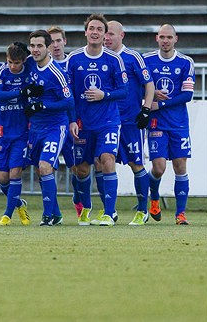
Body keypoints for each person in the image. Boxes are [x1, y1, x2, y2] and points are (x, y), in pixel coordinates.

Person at [66, 13, 128, 226]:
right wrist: (72, 120)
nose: (95, 32)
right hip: (83, 123)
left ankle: (109, 213)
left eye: (99, 29)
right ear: (86, 32)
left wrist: (105, 95)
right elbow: (69, 94)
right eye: (91, 28)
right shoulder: (73, 59)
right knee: (81, 169)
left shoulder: (114, 59)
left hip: (108, 121)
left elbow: (124, 90)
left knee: (107, 159)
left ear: (104, 34)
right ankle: (86, 207)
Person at [103, 20, 155, 226]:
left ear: (121, 36)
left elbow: (149, 85)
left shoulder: (133, 57)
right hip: (107, 121)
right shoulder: (102, 58)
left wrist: (145, 110)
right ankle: (109, 211)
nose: (107, 38)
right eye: (105, 34)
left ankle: (143, 210)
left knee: (135, 163)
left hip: (130, 121)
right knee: (103, 162)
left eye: (111, 34)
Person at [143, 24, 195, 225]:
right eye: (162, 37)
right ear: (157, 38)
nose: (165, 40)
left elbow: (187, 95)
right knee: (158, 168)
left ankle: (180, 214)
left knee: (180, 165)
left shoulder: (185, 62)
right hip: (156, 122)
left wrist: (160, 103)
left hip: (178, 123)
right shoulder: (147, 60)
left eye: (169, 37)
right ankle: (154, 199)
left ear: (176, 39)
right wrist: (149, 94)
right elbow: (138, 87)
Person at [25, 30, 74, 226]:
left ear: (48, 49)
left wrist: (44, 105)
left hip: (55, 126)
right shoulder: (29, 63)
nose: (35, 50)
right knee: (40, 170)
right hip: (35, 127)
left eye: (39, 46)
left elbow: (69, 101)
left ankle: (47, 216)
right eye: (32, 46)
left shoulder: (56, 73)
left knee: (45, 166)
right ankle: (56, 213)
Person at [0, 42, 33, 226]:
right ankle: (19, 204)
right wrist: (22, 92)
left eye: (16, 63)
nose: (13, 66)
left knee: (15, 173)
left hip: (21, 132)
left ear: (23, 61)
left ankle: (7, 215)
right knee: (2, 177)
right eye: (10, 62)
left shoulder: (29, 73)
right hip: (0, 131)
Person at [47, 25, 82, 217]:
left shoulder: (73, 63)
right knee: (47, 168)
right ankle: (54, 212)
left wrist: (75, 120)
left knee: (78, 168)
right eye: (51, 41)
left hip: (71, 124)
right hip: (49, 125)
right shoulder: (40, 65)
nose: (56, 45)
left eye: (59, 40)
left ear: (65, 41)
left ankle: (78, 197)